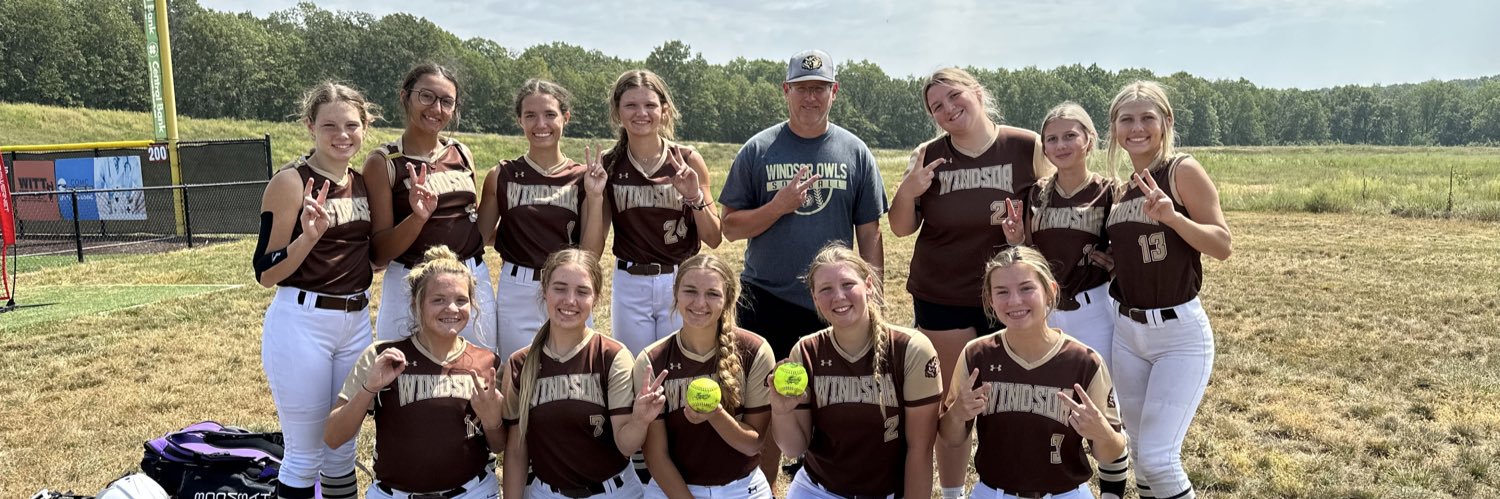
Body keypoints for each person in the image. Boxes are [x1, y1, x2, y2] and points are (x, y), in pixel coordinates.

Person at [718, 49, 889, 483]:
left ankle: (816, 486)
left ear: (834, 92)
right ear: (786, 91)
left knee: (831, 401)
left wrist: (876, 295)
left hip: (835, 303)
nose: (809, 98)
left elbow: (870, 233)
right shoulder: (759, 149)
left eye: (819, 88)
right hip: (768, 297)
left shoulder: (855, 151)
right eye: (801, 88)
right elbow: (731, 227)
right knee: (767, 402)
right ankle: (763, 488)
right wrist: (777, 206)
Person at [888, 67, 1053, 498]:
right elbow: (901, 227)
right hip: (944, 294)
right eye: (936, 106)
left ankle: (1018, 485)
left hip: (1012, 295)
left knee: (1018, 396)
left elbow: (1059, 209)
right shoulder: (928, 154)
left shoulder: (1026, 146)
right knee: (955, 403)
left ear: (977, 93)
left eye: (954, 96)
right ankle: (956, 492)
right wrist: (909, 190)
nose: (947, 109)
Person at [1101, 81, 1232, 499]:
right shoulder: (1123, 187)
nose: (1136, 128)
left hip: (1178, 332)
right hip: (1128, 332)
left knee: (1159, 458)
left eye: (1146, 118)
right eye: (1127, 119)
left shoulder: (1181, 171)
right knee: (1141, 453)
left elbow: (1222, 245)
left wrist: (1174, 219)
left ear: (1166, 122)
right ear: (1115, 128)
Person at [252, 82, 379, 499]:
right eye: (329, 125)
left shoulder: (361, 182)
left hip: (356, 322)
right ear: (310, 126)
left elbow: (371, 257)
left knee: (342, 452)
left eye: (351, 125)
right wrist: (307, 238)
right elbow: (265, 272)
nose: (342, 135)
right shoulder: (291, 182)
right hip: (302, 322)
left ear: (366, 126)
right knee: (305, 455)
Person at [941, 246, 1129, 499]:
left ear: (1050, 291)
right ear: (989, 300)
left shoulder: (1084, 361)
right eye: (1002, 292)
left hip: (1065, 493)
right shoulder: (977, 355)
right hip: (994, 493)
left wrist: (1102, 432)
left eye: (1026, 288)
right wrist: (956, 414)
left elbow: (1111, 452)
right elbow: (951, 438)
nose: (1015, 301)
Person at [324, 245, 504, 499]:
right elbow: (333, 436)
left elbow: (499, 445)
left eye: (461, 300)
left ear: (472, 304)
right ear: (416, 303)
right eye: (438, 299)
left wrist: (492, 420)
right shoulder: (383, 356)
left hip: (469, 492)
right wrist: (369, 389)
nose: (451, 308)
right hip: (395, 493)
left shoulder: (487, 362)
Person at [770, 244, 941, 499]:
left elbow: (921, 449)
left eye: (848, 284)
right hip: (817, 490)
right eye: (825, 289)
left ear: (869, 285)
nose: (838, 296)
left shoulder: (911, 349)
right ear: (815, 298)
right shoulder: (806, 350)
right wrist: (781, 411)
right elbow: (794, 447)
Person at [501, 248, 661, 499]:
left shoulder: (612, 356)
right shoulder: (521, 362)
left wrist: (640, 421)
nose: (570, 300)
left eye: (582, 291)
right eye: (560, 288)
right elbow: (515, 451)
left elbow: (626, 446)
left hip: (612, 492)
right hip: (546, 494)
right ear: (544, 291)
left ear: (596, 298)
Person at [364, 63, 496, 351]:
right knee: (403, 376)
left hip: (469, 276)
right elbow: (379, 251)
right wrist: (417, 218)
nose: (436, 108)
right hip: (411, 279)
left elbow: (471, 220)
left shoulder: (460, 152)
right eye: (426, 96)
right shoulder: (384, 162)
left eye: (446, 101)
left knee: (478, 369)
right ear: (405, 96)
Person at [591, 69, 723, 354]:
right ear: (617, 112)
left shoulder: (686, 160)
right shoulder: (610, 164)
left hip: (681, 280)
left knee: (683, 366)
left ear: (664, 111)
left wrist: (694, 196)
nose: (641, 113)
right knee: (636, 370)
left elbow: (714, 237)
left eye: (650, 105)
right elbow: (592, 251)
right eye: (631, 105)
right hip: (630, 281)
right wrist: (592, 196)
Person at [478, 79, 607, 360]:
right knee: (518, 374)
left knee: (573, 372)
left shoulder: (582, 177)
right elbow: (476, 239)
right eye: (530, 116)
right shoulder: (502, 175)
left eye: (550, 114)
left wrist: (595, 197)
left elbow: (591, 254)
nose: (541, 124)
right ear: (519, 120)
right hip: (518, 288)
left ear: (566, 117)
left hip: (569, 287)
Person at [633, 254, 775, 499]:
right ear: (676, 294)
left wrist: (715, 415)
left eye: (712, 293)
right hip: (673, 489)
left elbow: (753, 443)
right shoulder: (652, 359)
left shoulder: (755, 350)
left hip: (741, 487)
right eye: (690, 291)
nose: (700, 303)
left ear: (728, 299)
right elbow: (656, 456)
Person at [998, 102, 1116, 368]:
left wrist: (1117, 264)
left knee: (1098, 391)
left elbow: (1122, 243)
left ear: (1089, 140)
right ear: (1044, 147)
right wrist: (1016, 241)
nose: (1060, 145)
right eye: (1052, 139)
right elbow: (1029, 252)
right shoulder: (1036, 192)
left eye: (1070, 136)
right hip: (1044, 310)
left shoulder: (1108, 191)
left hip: (1093, 308)